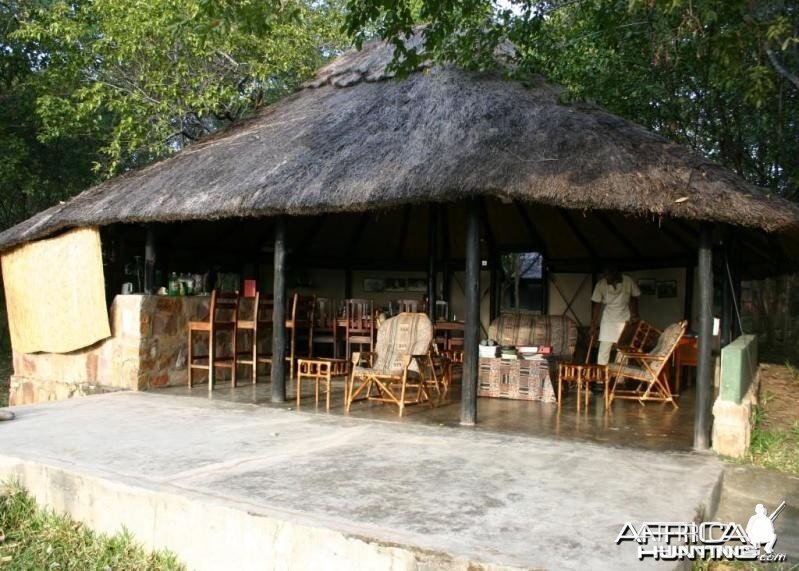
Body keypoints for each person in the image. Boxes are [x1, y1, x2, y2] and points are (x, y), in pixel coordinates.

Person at [589, 267, 640, 365]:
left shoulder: (628, 281)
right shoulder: (601, 284)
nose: (606, 278)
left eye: (608, 275)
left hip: (624, 318)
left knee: (622, 348)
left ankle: (619, 377)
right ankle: (601, 377)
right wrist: (593, 323)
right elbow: (597, 304)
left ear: (616, 273)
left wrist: (635, 314)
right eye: (605, 275)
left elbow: (634, 297)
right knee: (604, 348)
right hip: (608, 320)